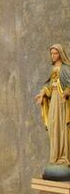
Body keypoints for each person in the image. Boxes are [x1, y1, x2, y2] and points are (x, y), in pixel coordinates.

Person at [35, 44, 70, 179]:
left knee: (62, 128)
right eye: (52, 54)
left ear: (60, 54)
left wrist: (67, 92)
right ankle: (55, 157)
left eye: (55, 53)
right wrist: (43, 93)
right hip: (54, 101)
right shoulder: (53, 69)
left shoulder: (66, 69)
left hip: (62, 103)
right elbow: (48, 84)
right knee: (53, 127)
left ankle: (64, 156)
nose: (53, 56)